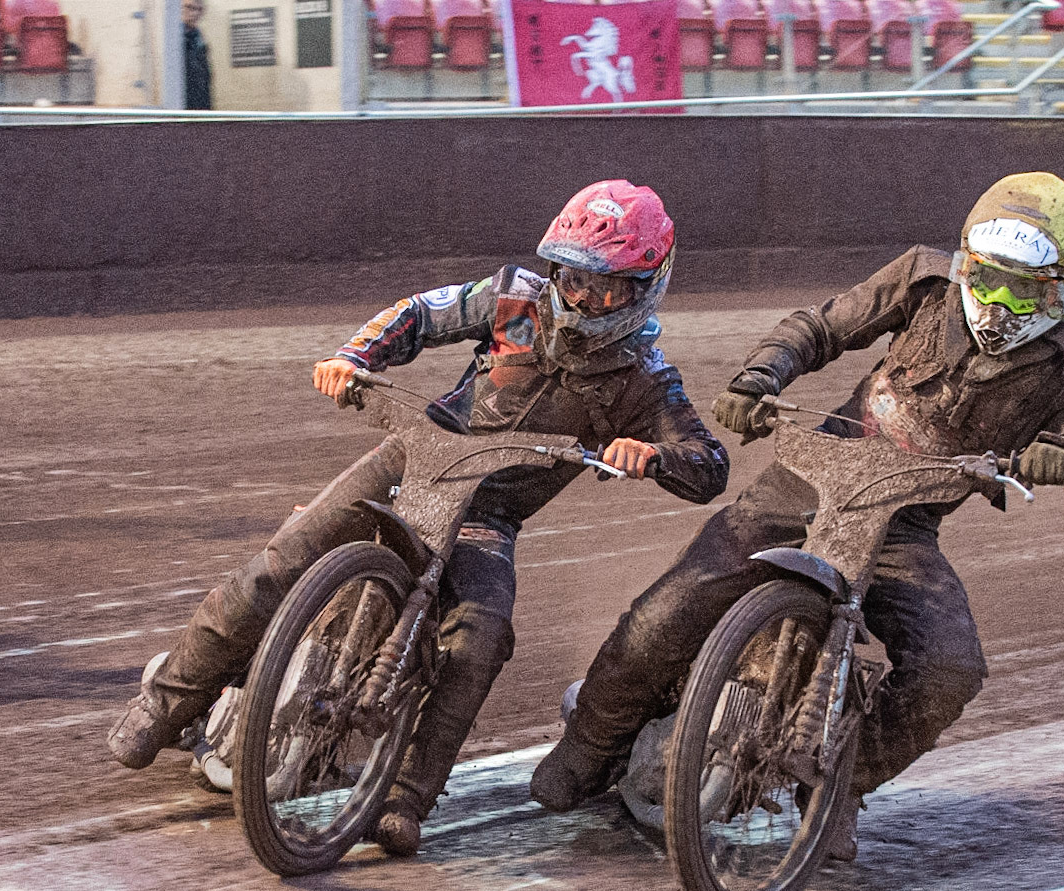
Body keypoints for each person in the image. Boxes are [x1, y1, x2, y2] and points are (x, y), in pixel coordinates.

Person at [108, 180, 730, 856]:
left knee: (481, 638)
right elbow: (418, 315)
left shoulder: (643, 380)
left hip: (485, 518)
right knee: (282, 561)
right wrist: (355, 357)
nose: (581, 298)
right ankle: (163, 703)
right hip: (409, 464)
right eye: (573, 278)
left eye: (604, 288)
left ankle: (408, 797)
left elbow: (709, 462)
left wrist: (652, 456)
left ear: (644, 288)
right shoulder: (517, 303)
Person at [535, 172, 1064, 860]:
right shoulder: (920, 280)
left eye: (1020, 288)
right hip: (810, 478)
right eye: (986, 277)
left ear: (1061, 289)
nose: (996, 300)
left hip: (902, 529)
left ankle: (840, 782)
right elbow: (820, 326)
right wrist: (761, 375)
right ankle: (587, 743)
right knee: (676, 601)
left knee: (949, 666)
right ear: (964, 261)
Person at [183, 0, 212, 110]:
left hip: (200, 103)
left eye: (199, 9)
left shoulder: (198, 36)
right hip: (183, 105)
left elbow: (205, 75)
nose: (195, 13)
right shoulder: (175, 39)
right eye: (189, 7)